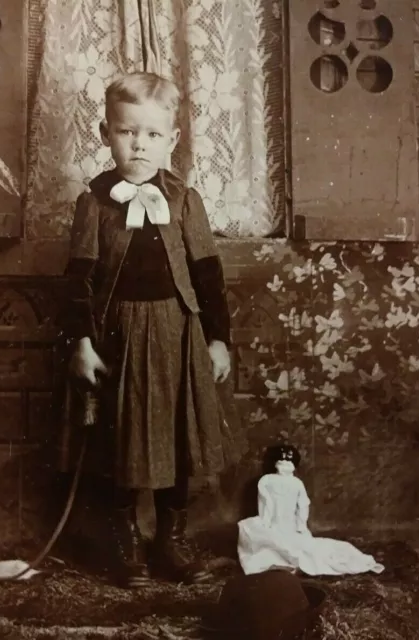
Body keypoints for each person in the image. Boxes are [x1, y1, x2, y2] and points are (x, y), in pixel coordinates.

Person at [59, 71, 237, 588]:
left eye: (153, 134)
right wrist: (82, 342)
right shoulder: (93, 203)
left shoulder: (186, 200)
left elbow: (208, 275)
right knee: (122, 443)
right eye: (126, 131)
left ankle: (170, 542)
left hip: (177, 336)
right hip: (118, 338)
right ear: (104, 133)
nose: (139, 144)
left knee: (178, 442)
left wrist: (218, 340)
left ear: (172, 140)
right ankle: (127, 544)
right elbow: (79, 282)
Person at [237, 444, 385, 577]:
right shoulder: (268, 481)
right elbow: (267, 505)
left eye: (288, 460)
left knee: (299, 548)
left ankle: (286, 560)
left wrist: (300, 526)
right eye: (283, 460)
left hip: (288, 526)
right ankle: (282, 561)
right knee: (277, 545)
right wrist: (267, 524)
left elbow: (300, 506)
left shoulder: (291, 482)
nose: (285, 462)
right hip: (277, 525)